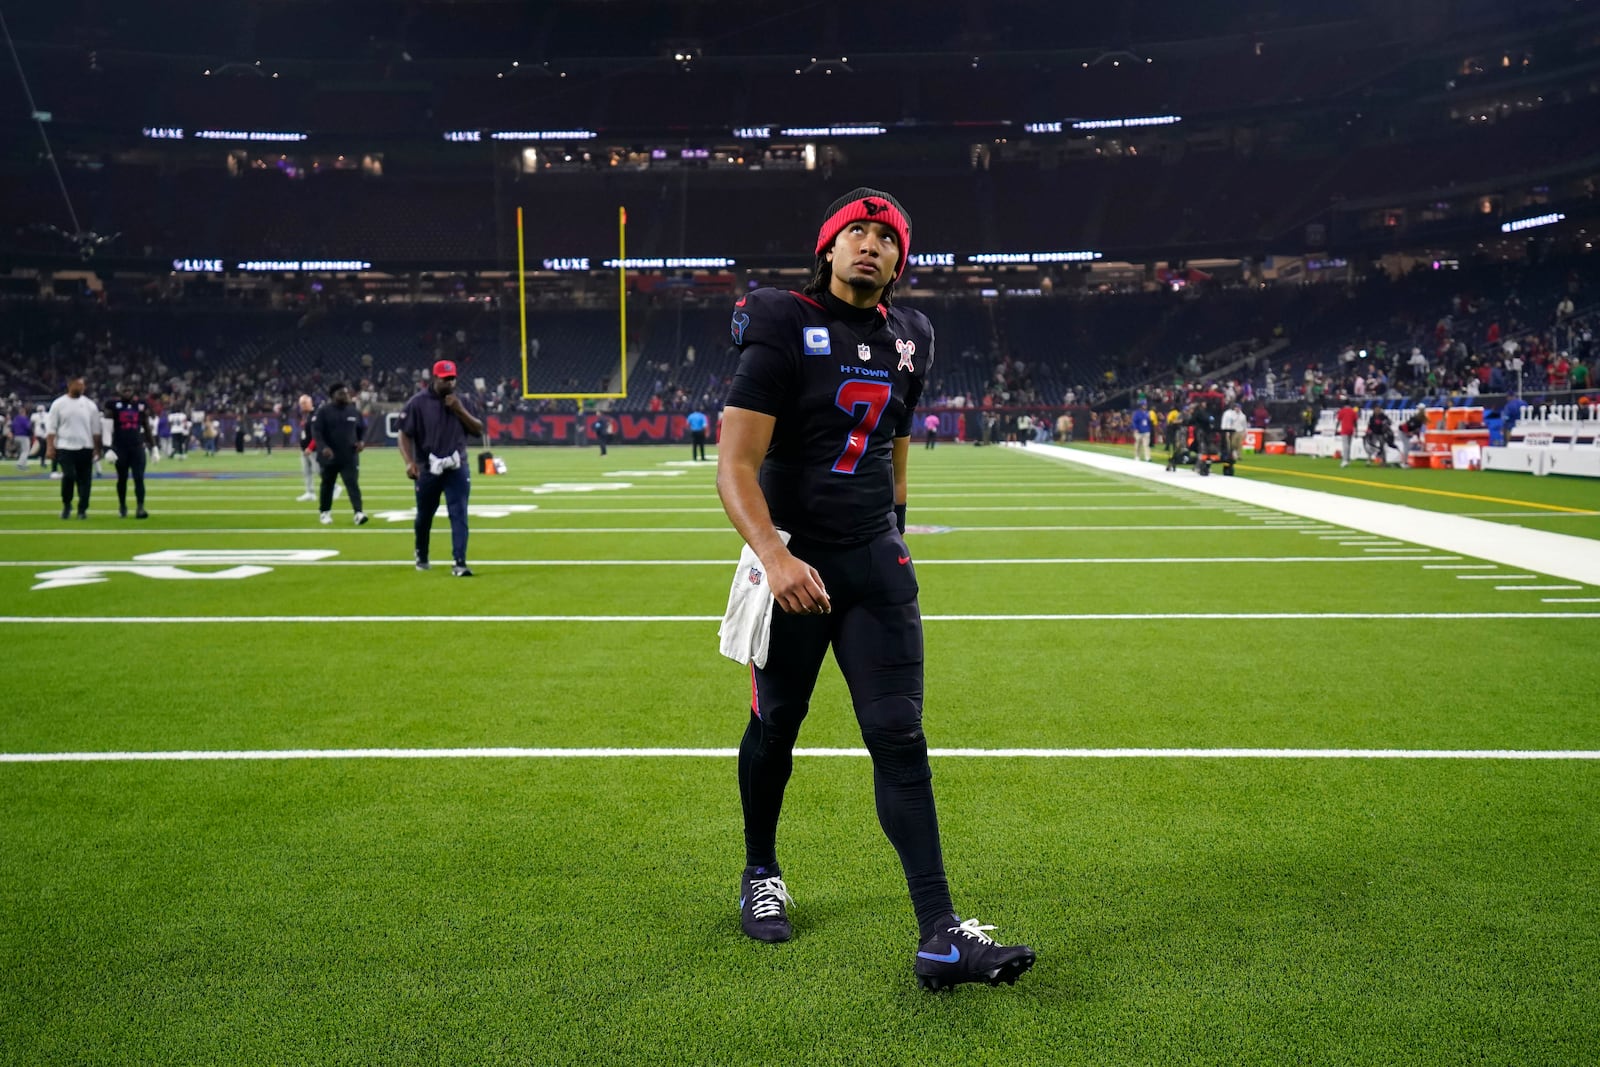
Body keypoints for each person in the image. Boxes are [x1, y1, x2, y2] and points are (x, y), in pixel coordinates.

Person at [717, 187, 1035, 991]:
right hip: (794, 561)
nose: (871, 245)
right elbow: (735, 466)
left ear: (901, 260)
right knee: (778, 724)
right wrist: (773, 557)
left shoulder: (911, 336)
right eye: (856, 231)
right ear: (826, 249)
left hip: (872, 563)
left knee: (900, 738)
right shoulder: (781, 318)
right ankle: (761, 868)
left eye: (887, 237)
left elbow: (894, 442)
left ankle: (940, 934)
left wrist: (896, 524)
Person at [399, 360, 484, 577]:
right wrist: (410, 462)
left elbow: (478, 430)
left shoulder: (462, 401)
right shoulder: (417, 403)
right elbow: (404, 434)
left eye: (452, 378)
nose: (450, 382)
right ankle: (422, 553)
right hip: (428, 467)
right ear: (435, 379)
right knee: (425, 515)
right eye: (445, 379)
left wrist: (459, 410)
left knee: (459, 514)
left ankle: (460, 562)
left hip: (456, 466)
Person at [311, 383, 368, 526]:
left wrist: (361, 441)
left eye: (347, 393)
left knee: (352, 484)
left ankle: (358, 513)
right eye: (342, 393)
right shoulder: (324, 411)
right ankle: (325, 512)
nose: (346, 395)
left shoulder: (353, 410)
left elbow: (362, 429)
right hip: (329, 456)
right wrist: (323, 447)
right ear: (333, 395)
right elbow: (317, 432)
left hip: (349, 455)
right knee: (327, 485)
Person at [45, 375, 101, 519]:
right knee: (69, 476)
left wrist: (97, 449)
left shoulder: (90, 405)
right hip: (65, 447)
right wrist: (50, 447)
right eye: (78, 385)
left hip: (85, 446)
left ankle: (82, 509)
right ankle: (66, 504)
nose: (81, 387)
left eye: (83, 385)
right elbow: (51, 428)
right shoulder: (59, 404)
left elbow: (96, 430)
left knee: (85, 480)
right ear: (70, 385)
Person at [105, 382, 154, 518]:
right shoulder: (113, 405)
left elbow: (147, 427)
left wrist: (153, 447)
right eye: (124, 389)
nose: (127, 392)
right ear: (119, 391)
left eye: (129, 389)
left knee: (139, 478)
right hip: (120, 447)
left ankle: (140, 507)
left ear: (134, 390)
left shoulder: (140, 405)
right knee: (122, 479)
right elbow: (107, 428)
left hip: (137, 446)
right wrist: (108, 448)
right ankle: (122, 505)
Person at [296, 394, 318, 502]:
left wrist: (310, 447)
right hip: (305, 449)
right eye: (301, 403)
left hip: (313, 449)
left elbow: (316, 434)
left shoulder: (315, 415)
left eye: (304, 403)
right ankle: (310, 492)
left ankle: (335, 488)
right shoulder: (305, 415)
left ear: (310, 402)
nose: (302, 405)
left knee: (319, 471)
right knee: (306, 472)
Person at [1335, 399, 1359, 467]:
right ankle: (1348, 460)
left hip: (1344, 429)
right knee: (1349, 445)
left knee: (1345, 445)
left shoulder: (1342, 411)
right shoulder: (1353, 411)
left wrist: (1336, 429)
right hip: (1351, 429)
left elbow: (1338, 420)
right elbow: (1355, 422)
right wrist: (1356, 431)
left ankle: (1345, 460)